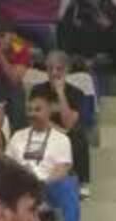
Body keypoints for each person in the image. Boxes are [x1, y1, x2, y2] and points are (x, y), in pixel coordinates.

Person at [8, 86, 84, 221]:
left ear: (49, 111)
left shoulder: (61, 139)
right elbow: (7, 165)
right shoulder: (17, 136)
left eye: (37, 109)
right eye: (29, 110)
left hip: (49, 185)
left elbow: (63, 169)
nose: (32, 114)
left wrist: (42, 183)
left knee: (68, 183)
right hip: (22, 185)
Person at [41, 52, 95, 196]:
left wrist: (61, 93)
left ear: (66, 71)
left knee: (78, 136)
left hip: (67, 132)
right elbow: (36, 118)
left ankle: (82, 183)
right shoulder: (38, 91)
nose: (54, 73)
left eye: (58, 69)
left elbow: (69, 122)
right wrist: (58, 130)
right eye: (50, 69)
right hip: (44, 130)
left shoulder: (76, 93)